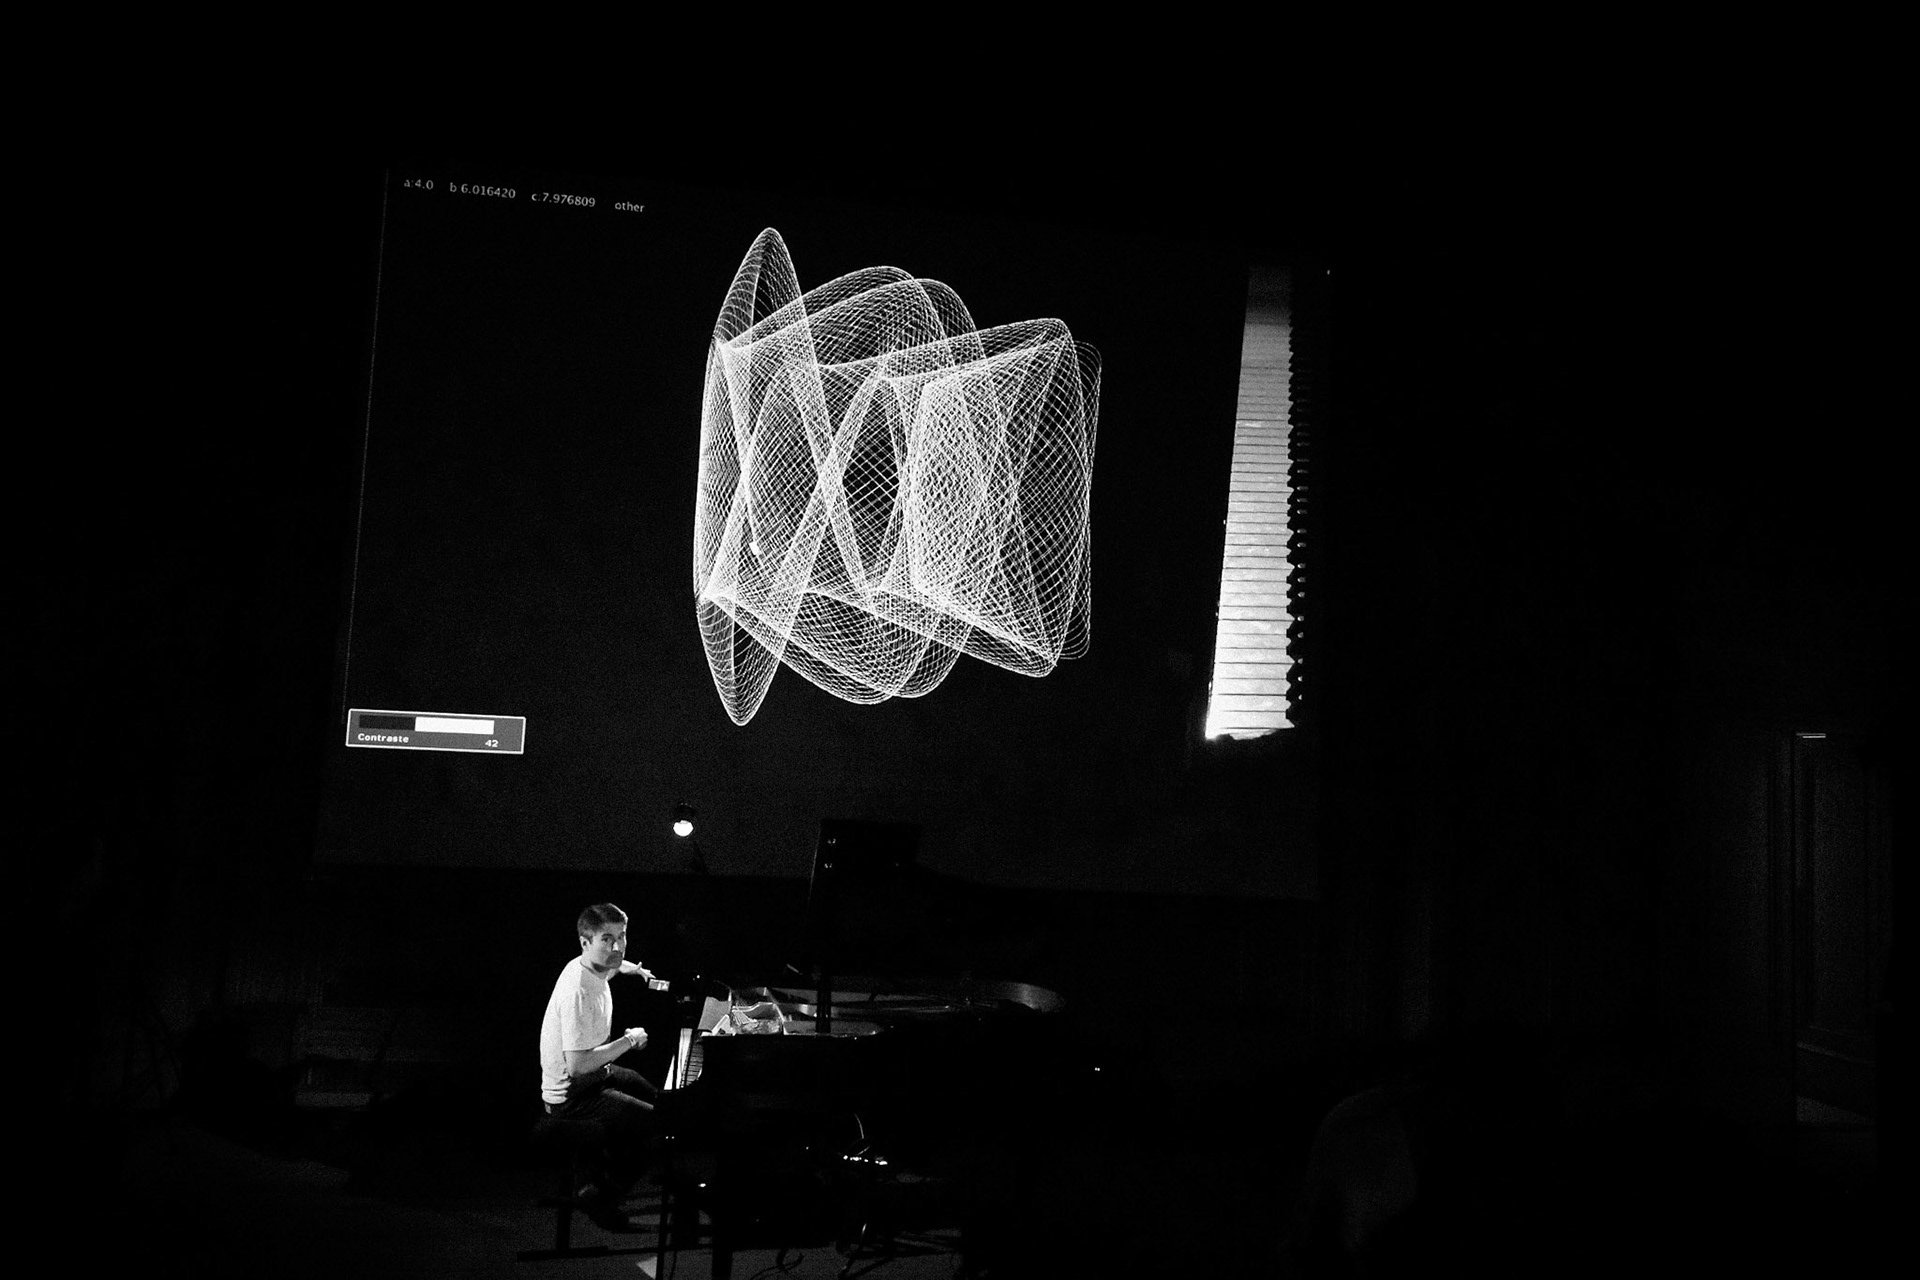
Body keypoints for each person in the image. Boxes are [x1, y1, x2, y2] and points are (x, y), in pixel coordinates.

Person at [538, 902, 662, 1228]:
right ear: (585, 942)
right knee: (651, 1126)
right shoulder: (579, 991)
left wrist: (636, 970)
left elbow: (615, 964)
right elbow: (578, 1066)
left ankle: (606, 1175)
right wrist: (629, 1040)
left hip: (594, 1077)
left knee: (660, 1101)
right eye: (607, 939)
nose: (617, 946)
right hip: (571, 1094)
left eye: (622, 937)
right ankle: (601, 1196)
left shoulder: (593, 964)